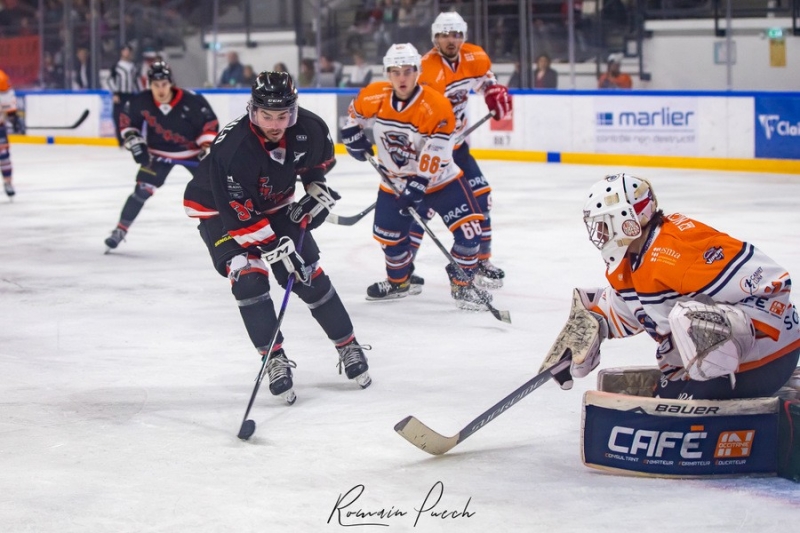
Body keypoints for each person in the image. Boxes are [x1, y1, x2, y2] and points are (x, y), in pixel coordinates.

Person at [183, 71, 371, 404]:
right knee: (248, 276)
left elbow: (315, 166)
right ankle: (274, 358)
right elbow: (238, 213)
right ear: (252, 110)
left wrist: (315, 188)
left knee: (306, 275)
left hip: (272, 204)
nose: (274, 123)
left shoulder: (309, 129)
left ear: (293, 111)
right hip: (218, 209)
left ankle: (348, 345)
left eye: (282, 115)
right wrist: (273, 247)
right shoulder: (234, 149)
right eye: (266, 115)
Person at [541, 173, 800, 400]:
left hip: (768, 357)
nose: (599, 234)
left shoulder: (676, 250)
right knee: (668, 392)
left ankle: (749, 385)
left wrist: (744, 343)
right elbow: (630, 309)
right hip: (732, 363)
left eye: (603, 224)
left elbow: (771, 283)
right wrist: (588, 327)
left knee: (687, 319)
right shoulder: (633, 258)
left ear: (626, 220)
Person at [341, 43, 490, 310]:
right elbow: (353, 117)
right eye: (395, 71)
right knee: (390, 240)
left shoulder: (436, 105)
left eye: (408, 71)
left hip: (441, 181)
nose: (402, 77)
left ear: (418, 71)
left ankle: (463, 284)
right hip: (395, 182)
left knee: (470, 232)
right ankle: (400, 282)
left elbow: (439, 150)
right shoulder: (373, 96)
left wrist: (419, 184)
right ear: (387, 73)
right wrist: (353, 137)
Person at [415, 11, 513, 289]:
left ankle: (480, 259)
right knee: (416, 212)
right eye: (445, 34)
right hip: (428, 152)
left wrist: (493, 92)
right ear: (436, 37)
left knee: (482, 197)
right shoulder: (425, 68)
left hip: (457, 147)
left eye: (457, 34)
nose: (451, 40)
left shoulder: (474, 56)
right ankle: (402, 273)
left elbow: (485, 81)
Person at [104, 61, 219, 251]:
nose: (160, 89)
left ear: (171, 83)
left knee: (216, 191)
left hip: (192, 153)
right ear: (149, 84)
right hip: (157, 154)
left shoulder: (192, 100)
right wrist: (135, 142)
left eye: (164, 84)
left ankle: (235, 231)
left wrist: (206, 145)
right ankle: (120, 230)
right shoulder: (141, 101)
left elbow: (210, 123)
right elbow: (127, 123)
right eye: (156, 85)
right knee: (141, 191)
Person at [106, 44, 142, 146]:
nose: (126, 53)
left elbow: (137, 81)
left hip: (131, 95)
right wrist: (115, 93)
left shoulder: (134, 67)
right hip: (120, 95)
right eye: (124, 50)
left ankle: (132, 138)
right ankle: (120, 140)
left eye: (128, 51)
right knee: (118, 117)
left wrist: (140, 95)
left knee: (132, 118)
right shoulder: (116, 66)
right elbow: (109, 81)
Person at [0, 68, 24, 198]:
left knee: (3, 155)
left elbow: (7, 98)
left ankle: (8, 182)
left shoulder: (1, 78)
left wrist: (13, 117)